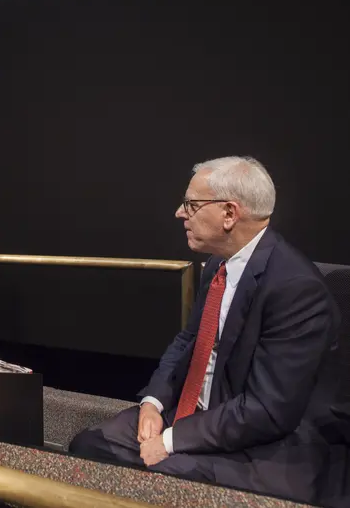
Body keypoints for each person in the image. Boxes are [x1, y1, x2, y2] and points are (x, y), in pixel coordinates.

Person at [69, 156, 342, 505]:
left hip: (265, 443)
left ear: (229, 213)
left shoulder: (296, 289)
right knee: (89, 447)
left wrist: (170, 441)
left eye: (191, 205)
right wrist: (153, 403)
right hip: (198, 414)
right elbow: (188, 341)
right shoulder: (218, 264)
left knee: (161, 482)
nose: (179, 213)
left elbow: (268, 410)